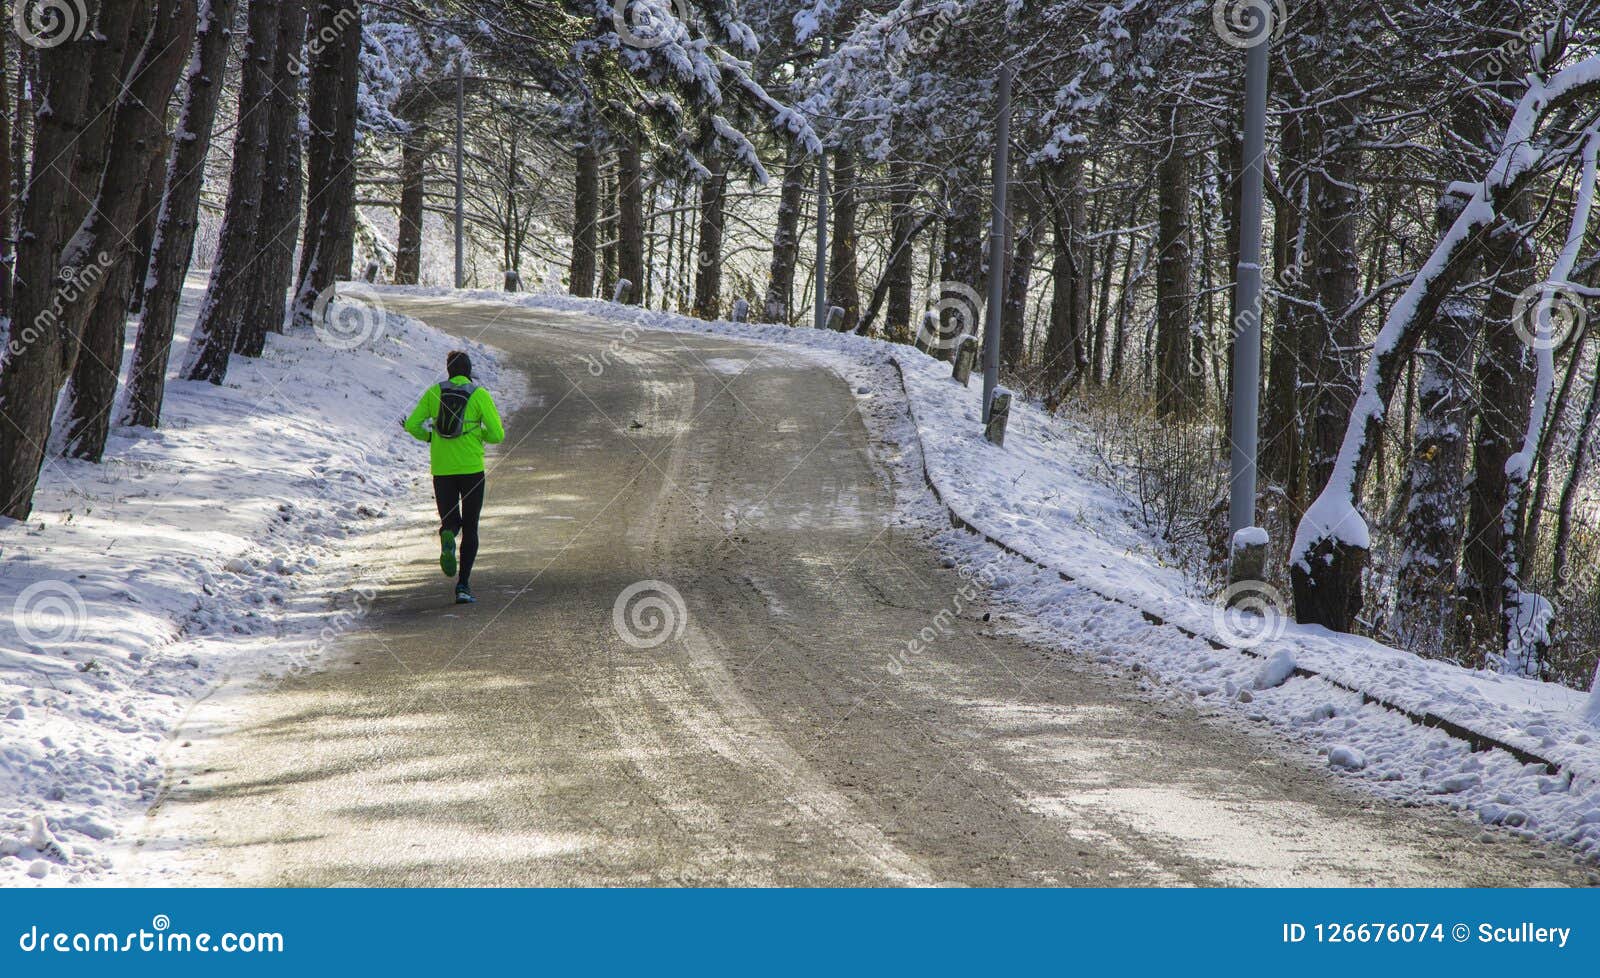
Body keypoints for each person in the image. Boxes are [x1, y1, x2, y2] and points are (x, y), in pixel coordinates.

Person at [404, 350, 505, 604]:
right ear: (469, 371)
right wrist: (478, 436)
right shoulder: (478, 394)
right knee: (471, 527)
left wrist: (430, 437)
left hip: (442, 469)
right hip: (471, 469)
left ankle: (447, 533)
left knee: (451, 520)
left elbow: (412, 425)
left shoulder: (434, 392)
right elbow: (497, 434)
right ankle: (463, 586)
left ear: (448, 371)